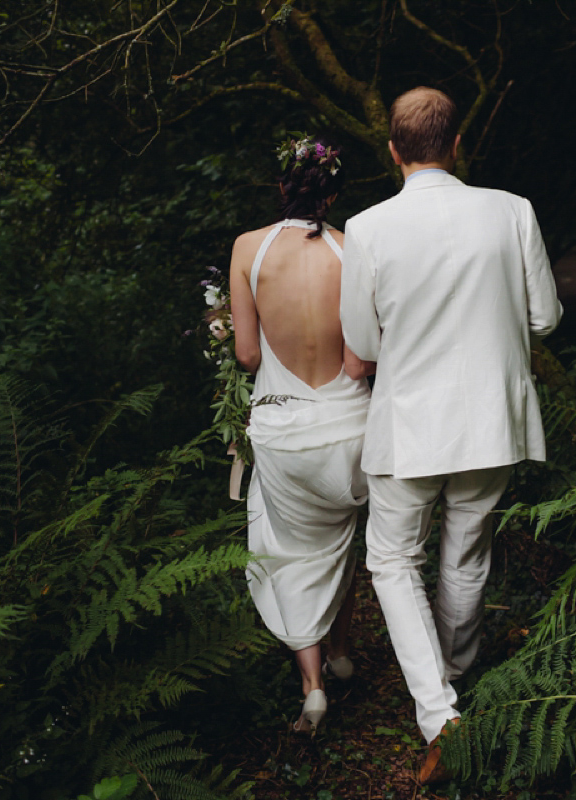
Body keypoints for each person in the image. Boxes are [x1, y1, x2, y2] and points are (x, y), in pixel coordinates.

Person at [339, 88, 563, 782]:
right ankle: (453, 675)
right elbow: (546, 317)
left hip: (409, 422)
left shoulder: (368, 227)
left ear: (394, 151)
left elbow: (361, 339)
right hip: (492, 417)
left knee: (392, 561)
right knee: (466, 553)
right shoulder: (511, 210)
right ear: (456, 144)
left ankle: (441, 713)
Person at [230, 135, 375, 733]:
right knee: (341, 544)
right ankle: (342, 654)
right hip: (350, 431)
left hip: (282, 431)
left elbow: (244, 355)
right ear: (334, 193)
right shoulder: (353, 250)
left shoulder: (247, 249)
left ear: (281, 188)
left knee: (291, 553)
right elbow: (360, 363)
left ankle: (312, 687)